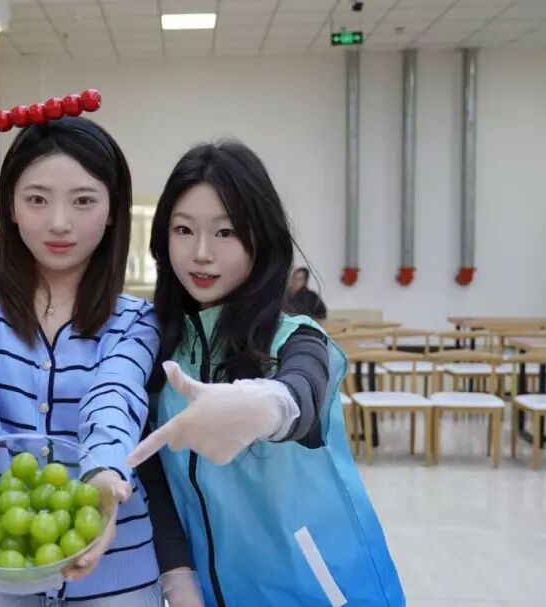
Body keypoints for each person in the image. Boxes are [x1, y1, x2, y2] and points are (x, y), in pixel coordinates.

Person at [0, 116, 201, 606]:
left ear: (112, 211)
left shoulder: (136, 320)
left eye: (83, 201)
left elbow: (115, 398)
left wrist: (104, 479)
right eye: (37, 199)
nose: (59, 222)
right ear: (11, 206)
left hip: (115, 570)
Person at [126, 141, 404, 606]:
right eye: (183, 229)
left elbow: (303, 390)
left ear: (262, 239)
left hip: (325, 592)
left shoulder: (295, 338)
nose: (201, 253)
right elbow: (153, 474)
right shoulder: (159, 349)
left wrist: (272, 405)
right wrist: (176, 573)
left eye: (226, 232)